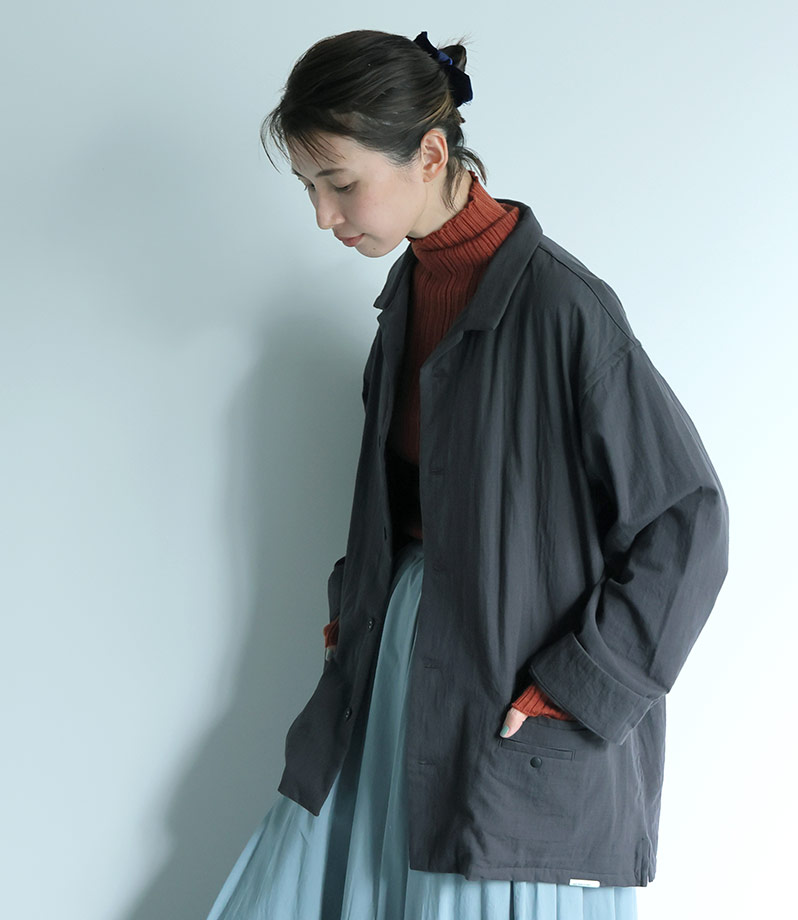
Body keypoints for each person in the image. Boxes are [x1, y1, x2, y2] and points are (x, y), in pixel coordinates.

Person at [205, 28, 729, 920]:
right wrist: (352, 612)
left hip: (507, 704)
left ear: (430, 154)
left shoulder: (565, 310)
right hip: (392, 681)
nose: (324, 215)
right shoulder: (403, 306)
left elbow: (689, 522)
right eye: (309, 188)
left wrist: (581, 684)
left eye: (340, 183)